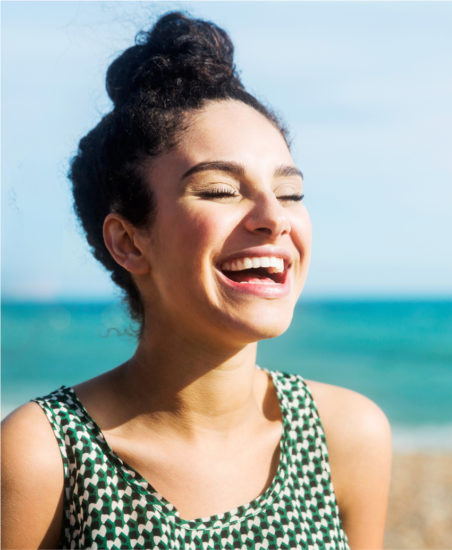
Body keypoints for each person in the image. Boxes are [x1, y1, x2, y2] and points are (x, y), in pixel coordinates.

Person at [1, 11, 391, 550]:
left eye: (290, 192)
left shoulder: (347, 435)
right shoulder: (46, 453)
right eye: (220, 190)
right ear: (129, 242)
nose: (273, 217)